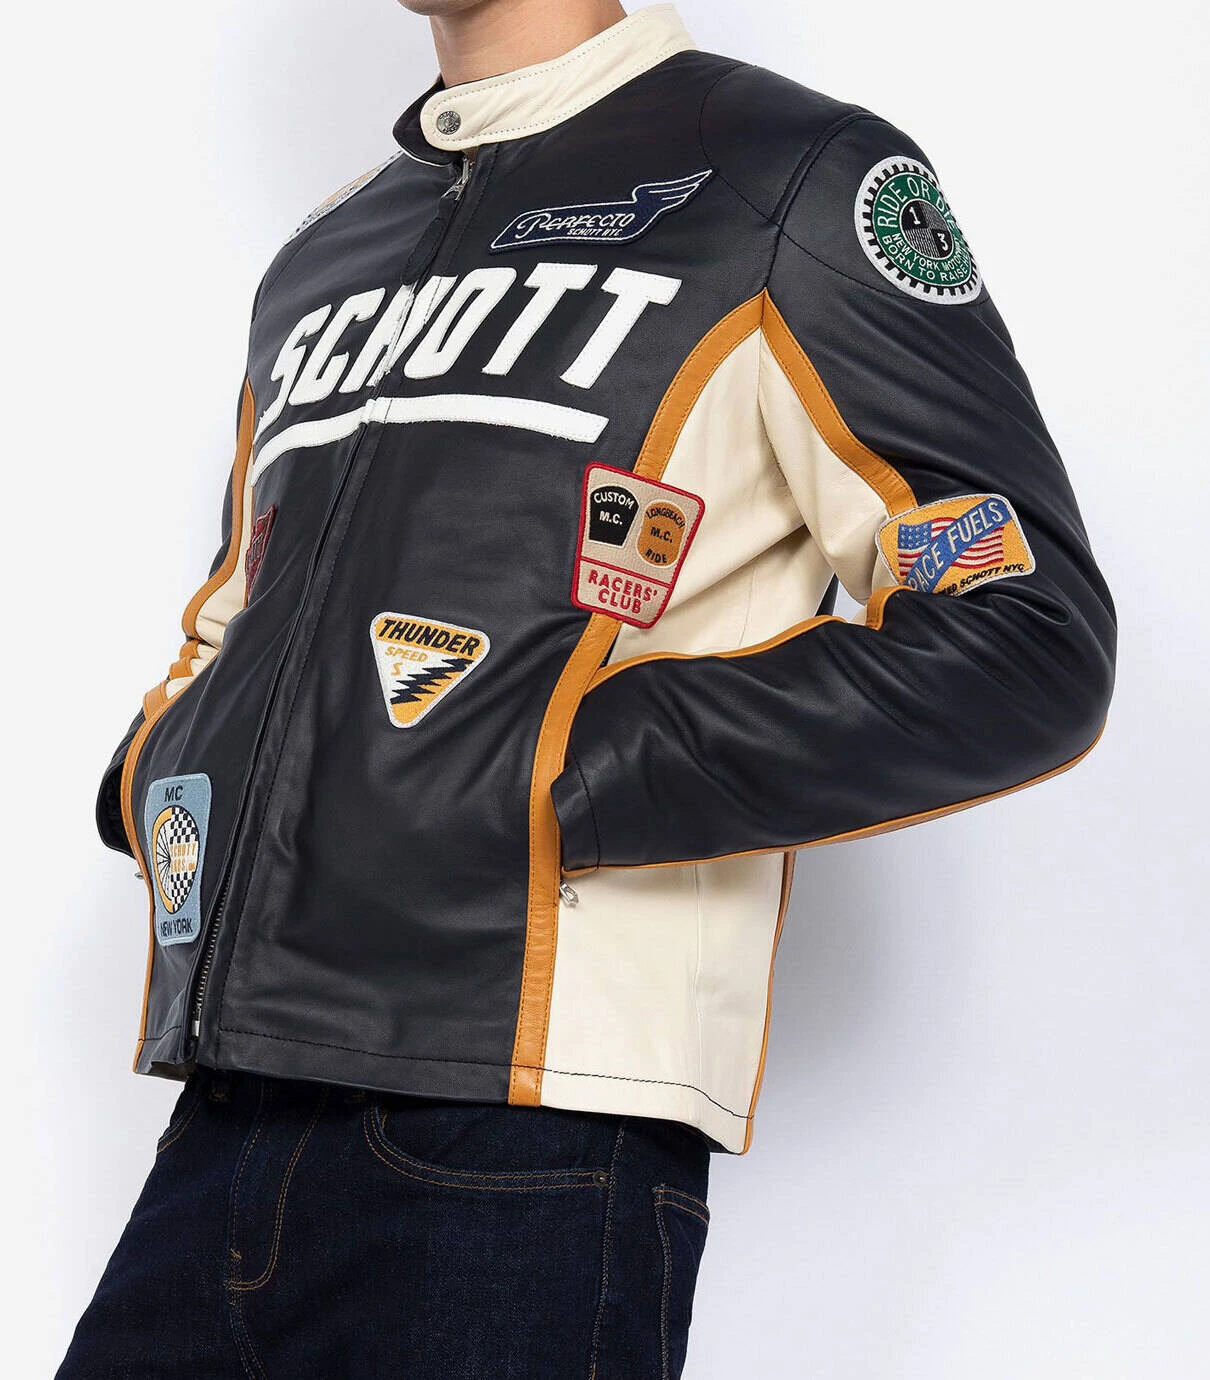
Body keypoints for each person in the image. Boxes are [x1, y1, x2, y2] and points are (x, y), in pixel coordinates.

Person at [58, 1, 1116, 1375]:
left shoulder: (788, 177)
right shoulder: (329, 251)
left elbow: (1020, 632)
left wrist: (553, 779)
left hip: (529, 1135)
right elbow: (236, 608)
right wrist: (154, 767)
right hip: (227, 1107)